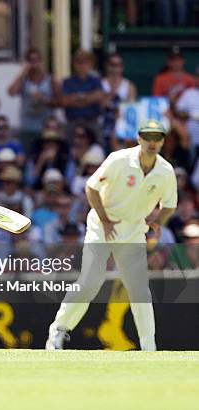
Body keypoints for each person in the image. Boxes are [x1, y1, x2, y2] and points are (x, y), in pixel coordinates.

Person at [46, 119, 178, 351]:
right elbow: (91, 187)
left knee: (138, 289)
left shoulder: (165, 171)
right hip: (101, 227)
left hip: (133, 232)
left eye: (157, 137)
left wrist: (157, 223)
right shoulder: (119, 160)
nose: (152, 141)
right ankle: (58, 330)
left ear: (162, 141)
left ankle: (149, 347)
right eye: (147, 136)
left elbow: (169, 204)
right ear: (139, 138)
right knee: (89, 283)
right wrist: (105, 220)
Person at [7, 48, 57, 151]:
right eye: (31, 61)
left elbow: (61, 102)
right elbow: (11, 92)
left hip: (45, 128)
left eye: (37, 60)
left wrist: (44, 99)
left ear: (41, 62)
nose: (34, 64)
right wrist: (22, 73)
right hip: (26, 127)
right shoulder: (23, 80)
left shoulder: (50, 79)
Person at [59, 50, 105, 143]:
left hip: (91, 121)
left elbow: (98, 97)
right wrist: (87, 98)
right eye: (79, 62)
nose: (82, 65)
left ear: (91, 64)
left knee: (99, 145)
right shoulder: (67, 82)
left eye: (85, 62)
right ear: (74, 64)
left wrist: (76, 97)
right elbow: (64, 101)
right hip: (73, 121)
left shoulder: (96, 80)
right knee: (66, 146)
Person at [102, 53, 138, 151]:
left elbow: (131, 109)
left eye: (118, 65)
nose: (115, 68)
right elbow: (100, 106)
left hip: (122, 122)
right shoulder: (100, 83)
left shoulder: (129, 86)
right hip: (103, 121)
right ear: (107, 66)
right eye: (112, 64)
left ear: (122, 67)